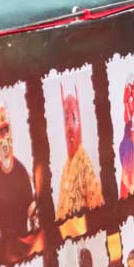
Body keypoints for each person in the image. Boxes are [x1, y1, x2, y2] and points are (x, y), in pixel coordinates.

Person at [0, 104, 37, 246]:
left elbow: (31, 207)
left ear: (11, 141)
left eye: (6, 130)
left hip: (25, 242)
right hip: (5, 246)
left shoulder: (22, 171)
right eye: (1, 131)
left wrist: (36, 215)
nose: (4, 135)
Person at [54, 84, 105, 221]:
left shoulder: (85, 166)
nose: (70, 127)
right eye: (66, 120)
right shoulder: (65, 170)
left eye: (74, 119)